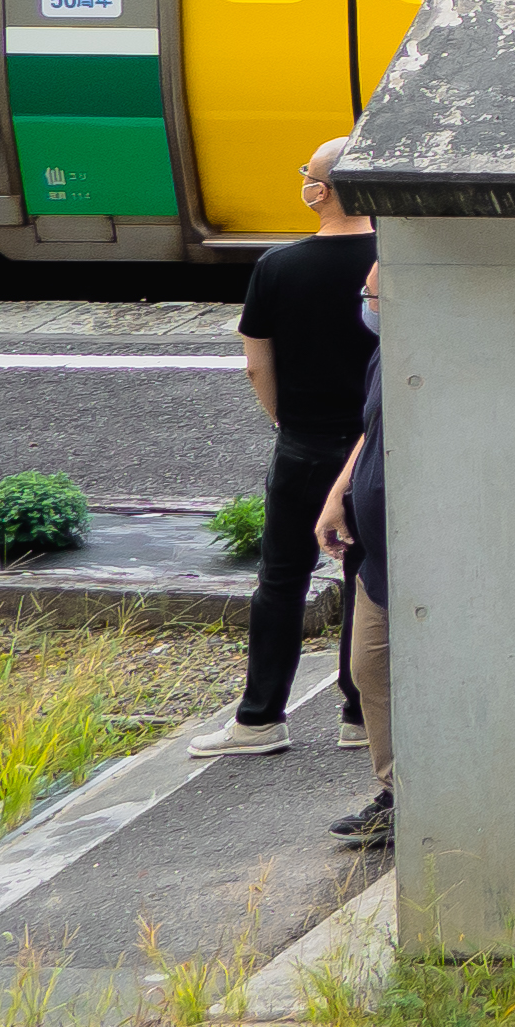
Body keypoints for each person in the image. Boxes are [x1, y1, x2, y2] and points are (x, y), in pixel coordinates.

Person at [188, 140, 369, 758]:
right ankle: (360, 713)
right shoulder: (394, 264)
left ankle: (261, 719)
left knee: (282, 580)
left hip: (303, 445)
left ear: (320, 191)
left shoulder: (277, 267)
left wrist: (286, 423)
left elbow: (255, 365)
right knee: (366, 577)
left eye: (308, 177)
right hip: (373, 450)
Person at [313, 260, 389, 845]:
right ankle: (397, 794)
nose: (364, 305)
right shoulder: (383, 356)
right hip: (377, 558)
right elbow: (369, 430)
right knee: (368, 670)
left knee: (383, 669)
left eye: (370, 294)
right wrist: (340, 495)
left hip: (414, 556)